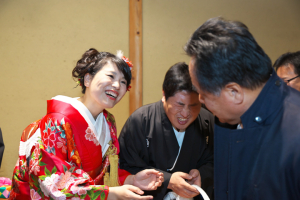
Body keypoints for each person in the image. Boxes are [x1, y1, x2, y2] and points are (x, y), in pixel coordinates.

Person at [10, 48, 163, 200]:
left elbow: (106, 172)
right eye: (111, 76)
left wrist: (132, 179)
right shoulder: (57, 121)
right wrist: (110, 194)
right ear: (88, 79)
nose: (117, 85)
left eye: (123, 82)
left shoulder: (108, 122)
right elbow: (54, 184)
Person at [185, 17, 300, 199]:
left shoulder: (294, 132)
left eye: (203, 93)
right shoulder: (232, 120)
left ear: (234, 92)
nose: (200, 100)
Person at [119, 62, 214, 200]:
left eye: (194, 106)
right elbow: (127, 167)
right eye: (179, 104)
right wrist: (168, 180)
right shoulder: (140, 121)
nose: (186, 113)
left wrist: (202, 174)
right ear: (164, 94)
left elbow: (216, 162)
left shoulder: (207, 121)